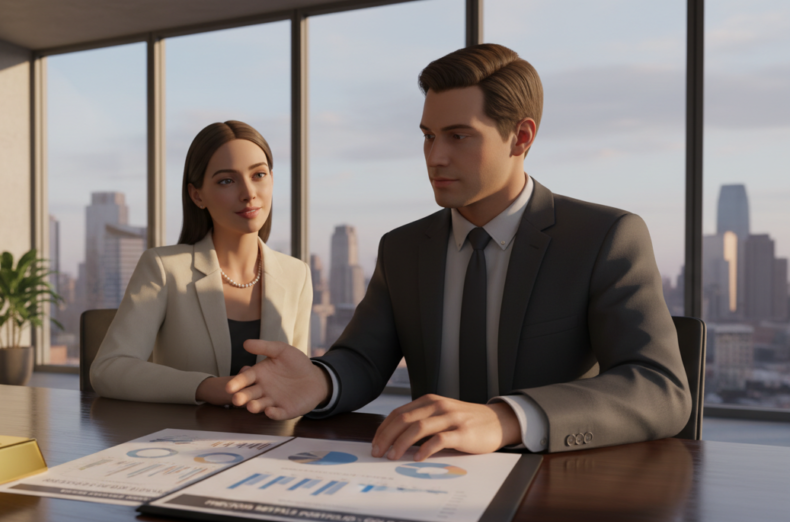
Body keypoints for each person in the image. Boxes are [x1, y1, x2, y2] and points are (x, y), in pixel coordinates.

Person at [224, 44, 691, 458]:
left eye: (458, 136)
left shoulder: (602, 237)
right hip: (423, 476)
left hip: (551, 490)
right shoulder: (403, 247)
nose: (435, 157)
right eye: (429, 136)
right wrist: (322, 382)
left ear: (521, 137)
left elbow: (659, 388)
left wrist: (507, 419)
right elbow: (365, 360)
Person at [90, 120, 312, 405]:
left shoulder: (297, 274)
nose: (248, 193)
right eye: (226, 181)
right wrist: (206, 387)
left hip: (273, 440)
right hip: (182, 441)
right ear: (197, 195)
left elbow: (297, 377)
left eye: (258, 174)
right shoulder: (163, 267)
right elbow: (109, 369)